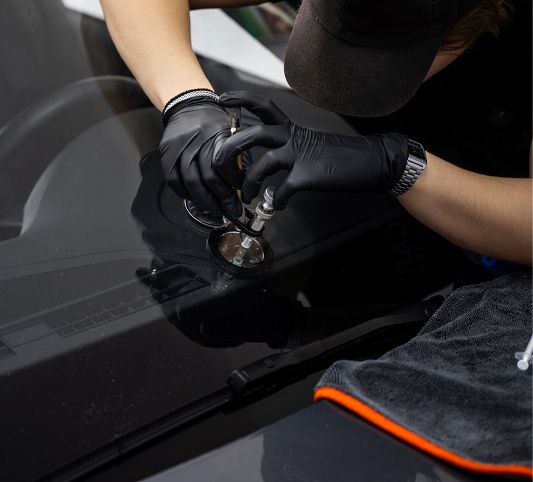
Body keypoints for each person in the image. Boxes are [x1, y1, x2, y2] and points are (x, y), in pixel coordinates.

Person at [101, 0, 532, 476]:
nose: (349, 73)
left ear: (474, 21)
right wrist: (186, 100)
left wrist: (399, 166)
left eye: (378, 59)